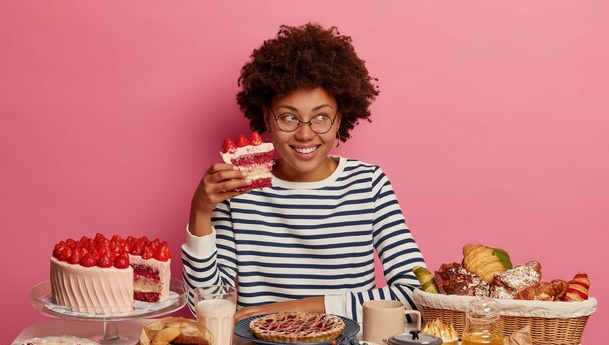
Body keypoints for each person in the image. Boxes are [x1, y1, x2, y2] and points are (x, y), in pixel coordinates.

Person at [182, 23, 426, 323]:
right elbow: (208, 308)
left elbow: (416, 294)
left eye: (321, 117)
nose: (305, 134)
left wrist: (293, 308)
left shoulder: (369, 184)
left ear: (340, 119)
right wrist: (200, 213)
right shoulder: (238, 190)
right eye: (288, 117)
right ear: (266, 118)